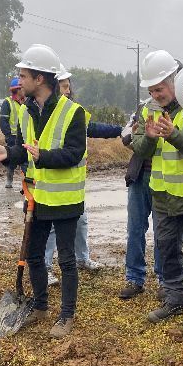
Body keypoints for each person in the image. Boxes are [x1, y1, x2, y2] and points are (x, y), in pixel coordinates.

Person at [0, 44, 86, 338]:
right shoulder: (27, 112)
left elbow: (74, 154)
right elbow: (27, 152)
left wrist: (43, 156)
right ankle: (40, 307)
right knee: (35, 256)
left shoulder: (73, 113)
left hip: (65, 200)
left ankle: (66, 316)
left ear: (40, 78)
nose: (19, 81)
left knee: (66, 260)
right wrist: (8, 153)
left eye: (23, 75)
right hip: (35, 198)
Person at [131, 50, 183, 332]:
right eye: (151, 89)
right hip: (161, 195)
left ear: (174, 80)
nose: (156, 94)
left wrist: (173, 135)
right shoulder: (147, 109)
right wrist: (150, 139)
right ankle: (175, 298)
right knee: (166, 249)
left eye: (159, 88)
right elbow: (139, 148)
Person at [42, 67, 115, 280]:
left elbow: (92, 128)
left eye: (68, 86)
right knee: (52, 228)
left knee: (81, 222)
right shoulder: (46, 114)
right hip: (51, 183)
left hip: (73, 184)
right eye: (64, 86)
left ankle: (82, 258)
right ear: (53, 87)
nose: (68, 90)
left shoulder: (74, 112)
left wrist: (119, 130)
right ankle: (46, 267)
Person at [120, 104, 165, 300]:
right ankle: (134, 278)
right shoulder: (141, 109)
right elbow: (125, 134)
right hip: (140, 175)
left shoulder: (180, 109)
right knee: (135, 229)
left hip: (165, 178)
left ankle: (164, 280)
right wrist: (139, 140)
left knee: (163, 231)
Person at [0, 76, 26, 189]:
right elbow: (3, 121)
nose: (18, 92)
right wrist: (8, 135)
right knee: (12, 160)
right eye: (16, 90)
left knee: (25, 161)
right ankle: (9, 180)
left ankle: (25, 184)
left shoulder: (28, 102)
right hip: (13, 137)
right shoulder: (7, 102)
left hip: (25, 137)